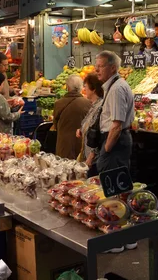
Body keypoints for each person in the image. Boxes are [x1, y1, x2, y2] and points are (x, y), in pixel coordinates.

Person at [95, 50, 136, 253]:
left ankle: (118, 239)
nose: (96, 69)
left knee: (115, 190)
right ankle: (125, 237)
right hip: (116, 142)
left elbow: (117, 124)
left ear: (112, 67)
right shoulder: (113, 86)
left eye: (100, 65)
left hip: (115, 143)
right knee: (119, 189)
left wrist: (106, 149)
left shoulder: (117, 88)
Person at [53, 74, 92, 159]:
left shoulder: (58, 103)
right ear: (82, 87)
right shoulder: (88, 103)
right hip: (81, 147)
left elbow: (55, 125)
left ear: (67, 87)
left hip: (64, 147)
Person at [76, 73, 104, 176]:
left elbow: (97, 131)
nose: (84, 90)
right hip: (88, 156)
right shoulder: (93, 105)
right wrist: (81, 129)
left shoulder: (100, 107)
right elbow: (88, 124)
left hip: (94, 160)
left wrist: (92, 155)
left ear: (94, 90)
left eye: (86, 87)